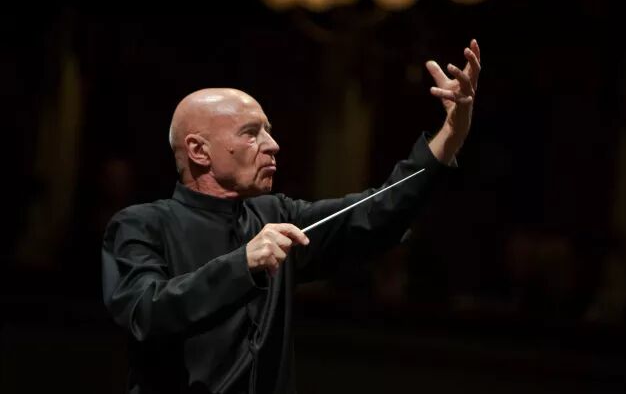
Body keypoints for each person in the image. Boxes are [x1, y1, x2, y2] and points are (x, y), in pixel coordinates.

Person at [101, 39, 481, 394]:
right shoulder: (141, 225)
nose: (273, 145)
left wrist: (451, 133)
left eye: (268, 131)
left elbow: (375, 212)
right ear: (199, 151)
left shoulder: (274, 214)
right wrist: (242, 264)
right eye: (252, 133)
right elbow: (143, 313)